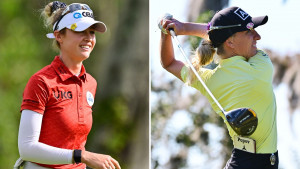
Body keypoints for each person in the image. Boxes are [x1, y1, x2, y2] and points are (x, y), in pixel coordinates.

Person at [159, 6, 278, 169]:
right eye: (249, 31)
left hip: (242, 162)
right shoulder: (262, 64)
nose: (257, 36)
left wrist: (166, 33)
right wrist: (185, 28)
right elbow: (215, 36)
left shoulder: (209, 80)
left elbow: (169, 63)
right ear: (230, 42)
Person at [14, 1, 121, 169]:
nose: (88, 38)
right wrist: (81, 156)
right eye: (80, 31)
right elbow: (27, 148)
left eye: (92, 32)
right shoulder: (41, 82)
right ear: (59, 36)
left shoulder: (90, 83)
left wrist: (80, 159)